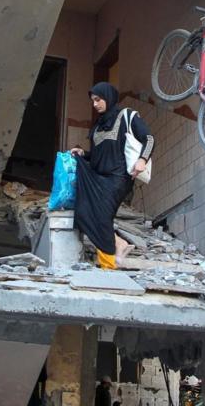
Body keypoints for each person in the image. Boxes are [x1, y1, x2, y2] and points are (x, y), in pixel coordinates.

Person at [71, 82, 153, 270]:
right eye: (93, 101)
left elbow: (149, 138)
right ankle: (118, 243)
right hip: (99, 177)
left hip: (118, 178)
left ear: (108, 97)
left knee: (101, 215)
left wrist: (143, 159)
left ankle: (108, 264)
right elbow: (99, 155)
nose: (95, 104)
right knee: (83, 211)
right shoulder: (98, 126)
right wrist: (84, 154)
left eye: (98, 99)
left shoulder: (127, 116)